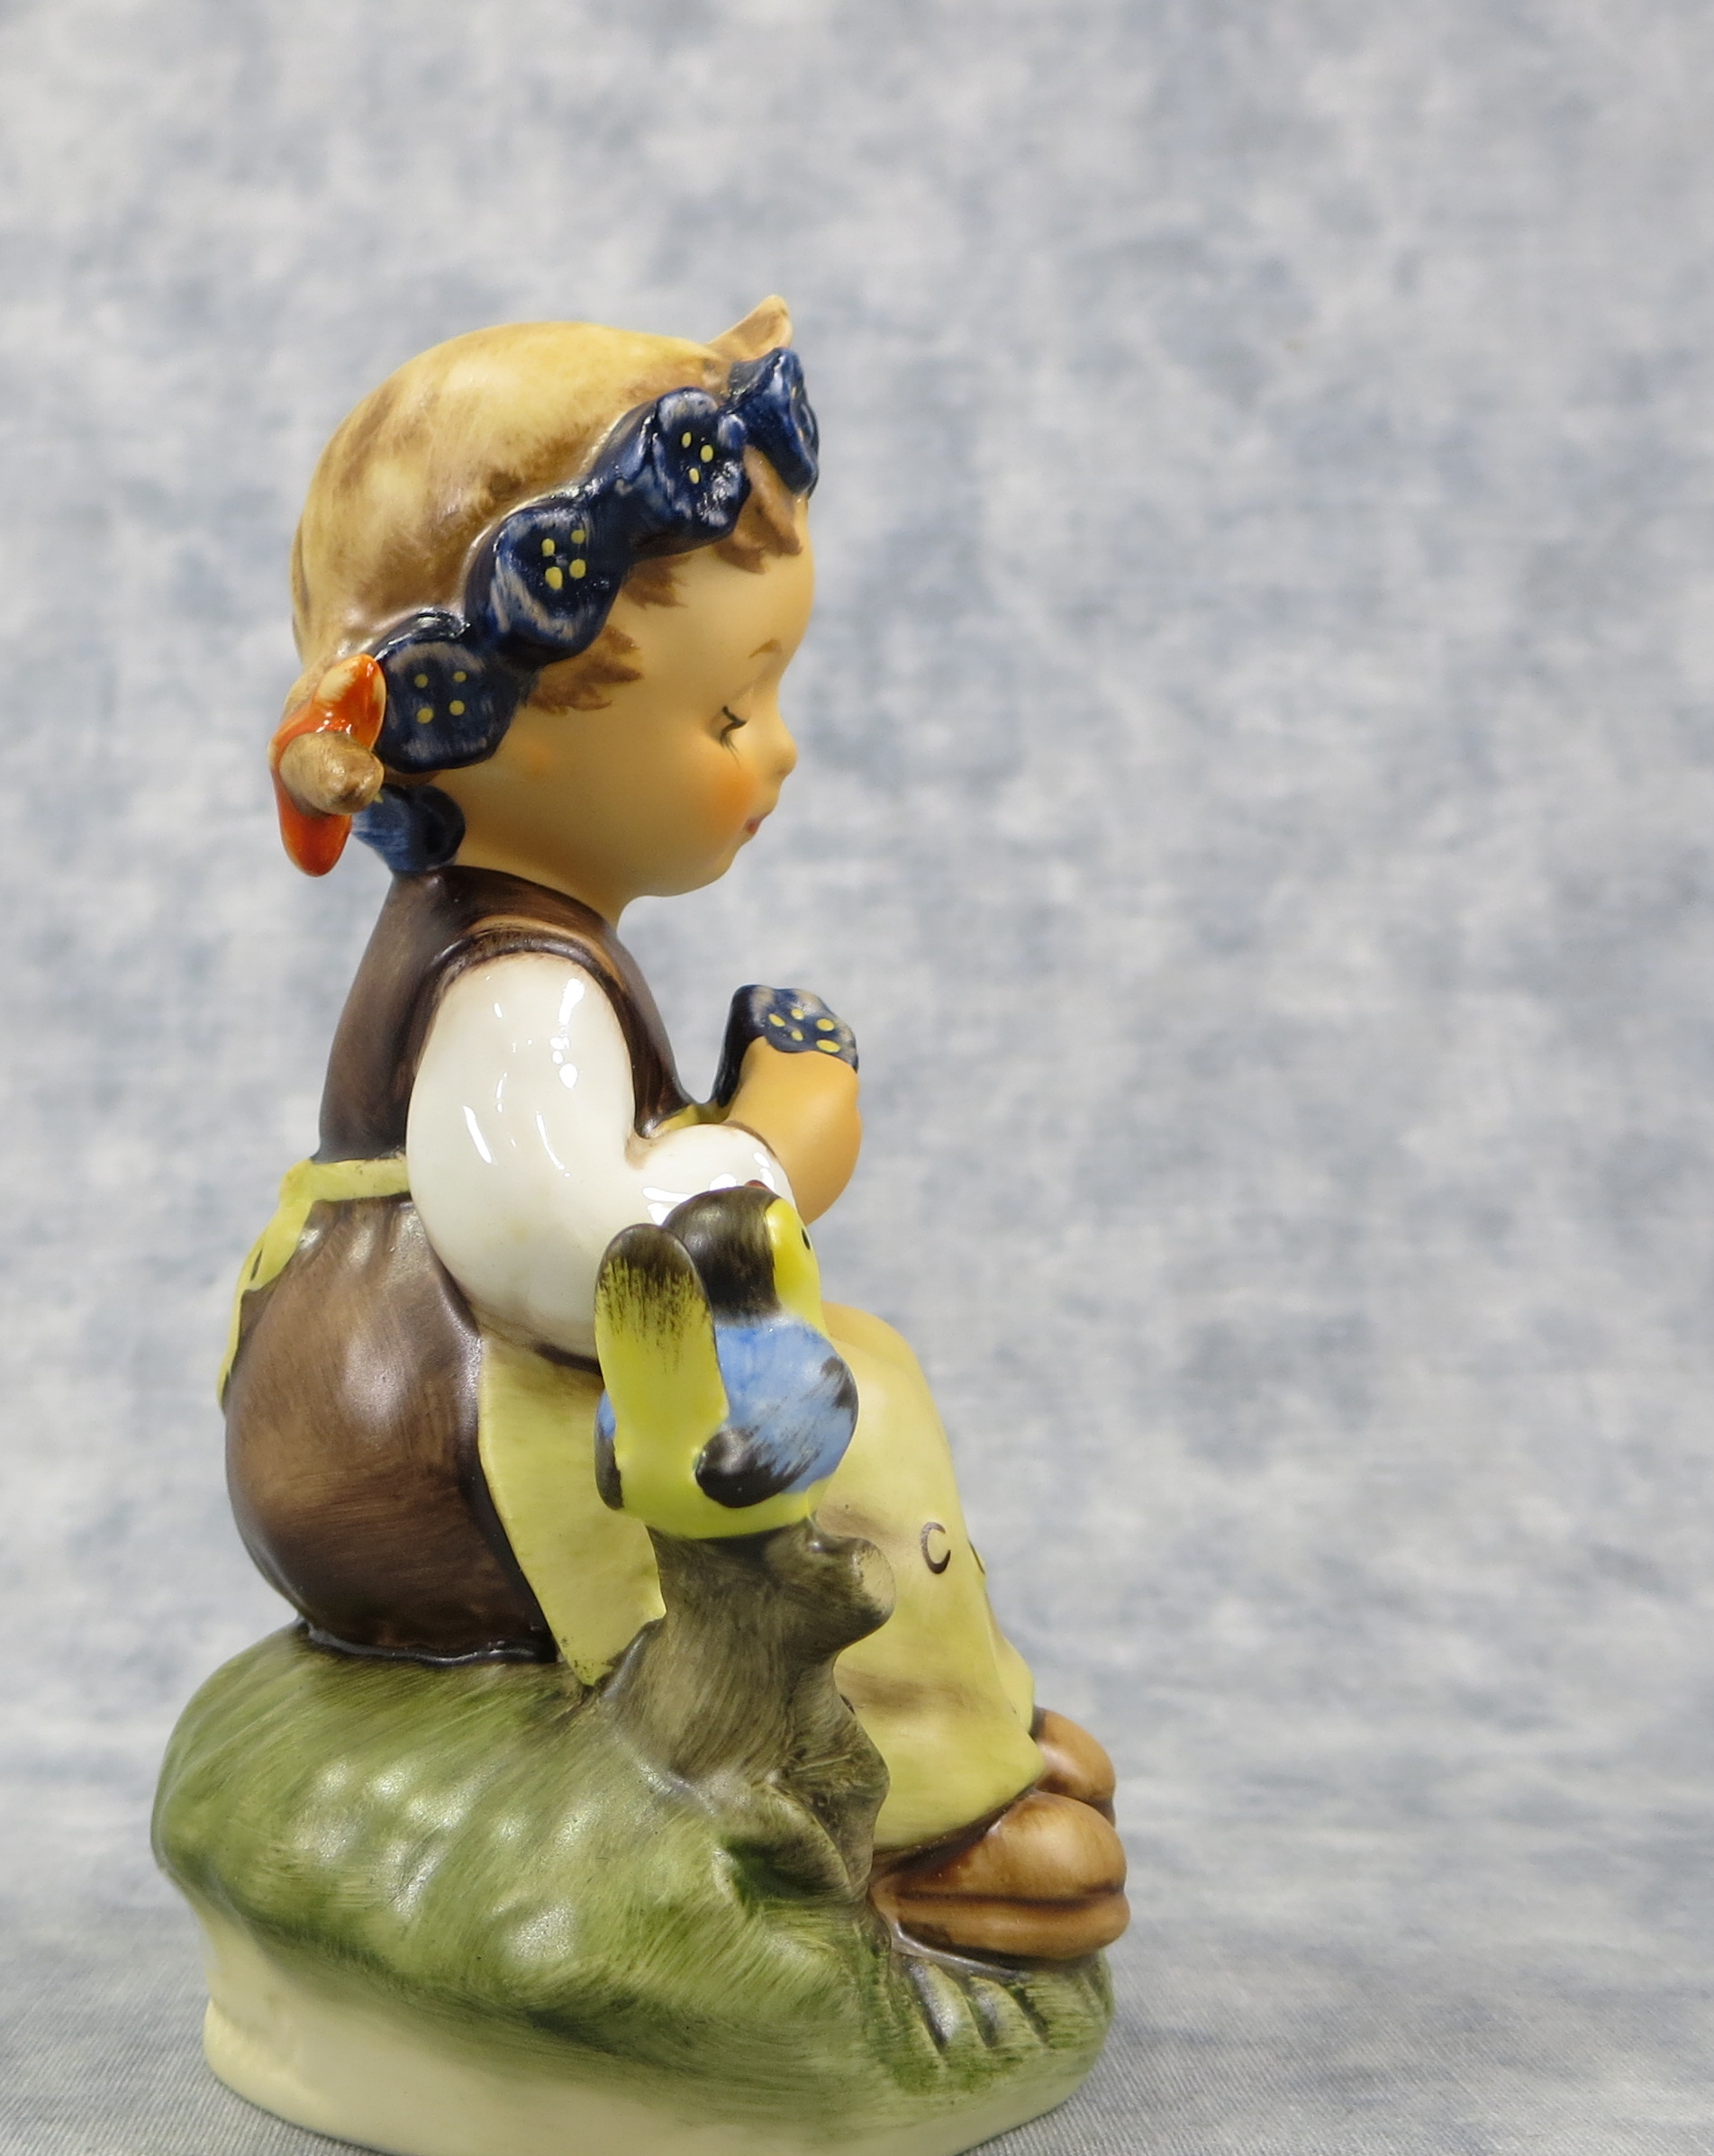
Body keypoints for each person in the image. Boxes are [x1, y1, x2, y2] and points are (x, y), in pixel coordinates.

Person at [221, 301, 1125, 1961]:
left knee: (840, 1385)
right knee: (852, 1421)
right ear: (512, 738)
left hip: (434, 1395)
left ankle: (959, 1718)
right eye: (729, 715)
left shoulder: (526, 942)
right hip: (438, 1441)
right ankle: (924, 1809)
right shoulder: (518, 985)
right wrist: (781, 1142)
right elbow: (574, 1255)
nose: (780, 750)